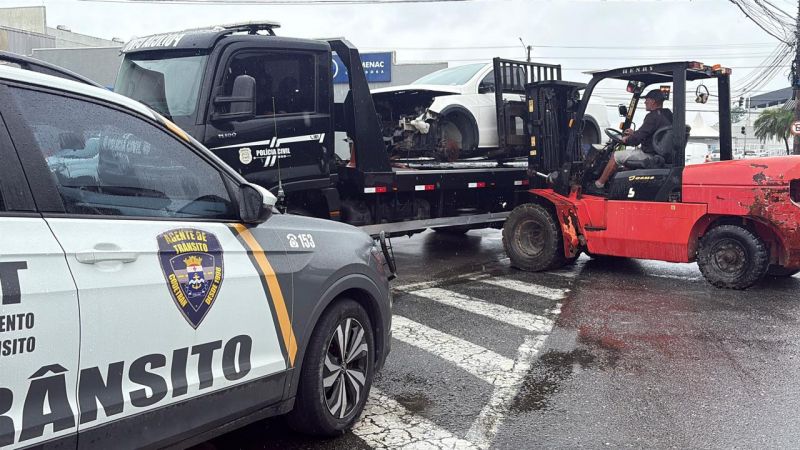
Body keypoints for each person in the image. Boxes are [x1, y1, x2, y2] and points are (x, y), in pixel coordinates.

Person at [587, 89, 673, 194]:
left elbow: (636, 140)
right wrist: (634, 133)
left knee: (616, 156)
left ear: (653, 101)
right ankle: (619, 187)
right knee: (627, 160)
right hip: (660, 154)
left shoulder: (652, 116)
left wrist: (627, 139)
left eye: (647, 100)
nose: (645, 102)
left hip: (649, 155)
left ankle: (599, 184)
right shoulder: (667, 114)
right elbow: (650, 133)